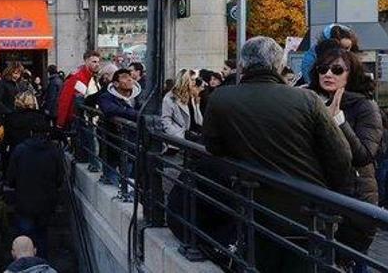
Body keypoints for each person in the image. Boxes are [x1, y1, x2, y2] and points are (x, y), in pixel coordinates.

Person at [203, 37, 352, 272]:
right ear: (279, 65)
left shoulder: (221, 99)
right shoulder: (307, 100)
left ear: (242, 65)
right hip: (306, 212)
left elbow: (213, 147)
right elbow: (342, 157)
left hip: (254, 208)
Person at [307, 47, 382, 264]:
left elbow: (365, 155)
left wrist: (338, 120)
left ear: (351, 74)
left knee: (348, 261)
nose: (328, 74)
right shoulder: (311, 101)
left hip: (355, 198)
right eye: (323, 69)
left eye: (337, 69)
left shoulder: (365, 106)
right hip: (319, 195)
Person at [6, 120, 64, 260]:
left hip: (24, 201)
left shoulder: (20, 150)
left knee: (25, 238)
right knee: (42, 235)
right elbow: (59, 178)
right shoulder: (54, 151)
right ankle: (41, 263)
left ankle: (24, 264)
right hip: (46, 202)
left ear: (31, 133)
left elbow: (11, 177)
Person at [56, 50, 101, 129]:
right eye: (94, 62)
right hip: (79, 122)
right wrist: (61, 123)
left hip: (89, 121)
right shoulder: (77, 78)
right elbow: (65, 100)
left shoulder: (93, 78)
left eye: (98, 62)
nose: (97, 64)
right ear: (86, 61)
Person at [160, 69, 204, 146]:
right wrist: (178, 135)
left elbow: (197, 119)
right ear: (185, 81)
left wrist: (197, 104)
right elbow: (166, 120)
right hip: (181, 136)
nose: (194, 83)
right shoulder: (170, 97)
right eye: (192, 80)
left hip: (194, 135)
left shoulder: (192, 96)